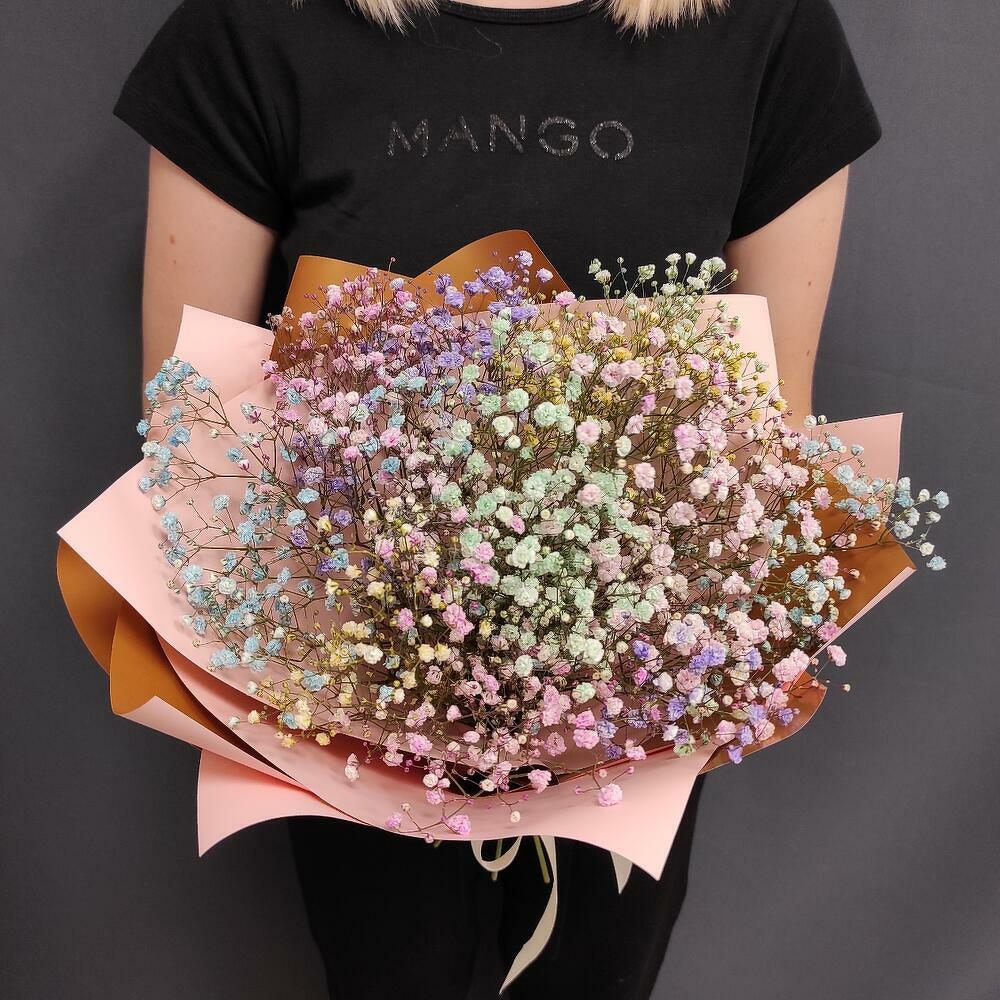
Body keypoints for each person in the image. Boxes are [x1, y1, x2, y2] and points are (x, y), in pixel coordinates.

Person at [114, 0, 881, 995]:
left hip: (633, 697)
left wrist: (650, 673)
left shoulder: (767, 29)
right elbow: (194, 432)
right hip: (347, 680)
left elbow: (770, 429)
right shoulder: (253, 26)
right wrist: (376, 657)